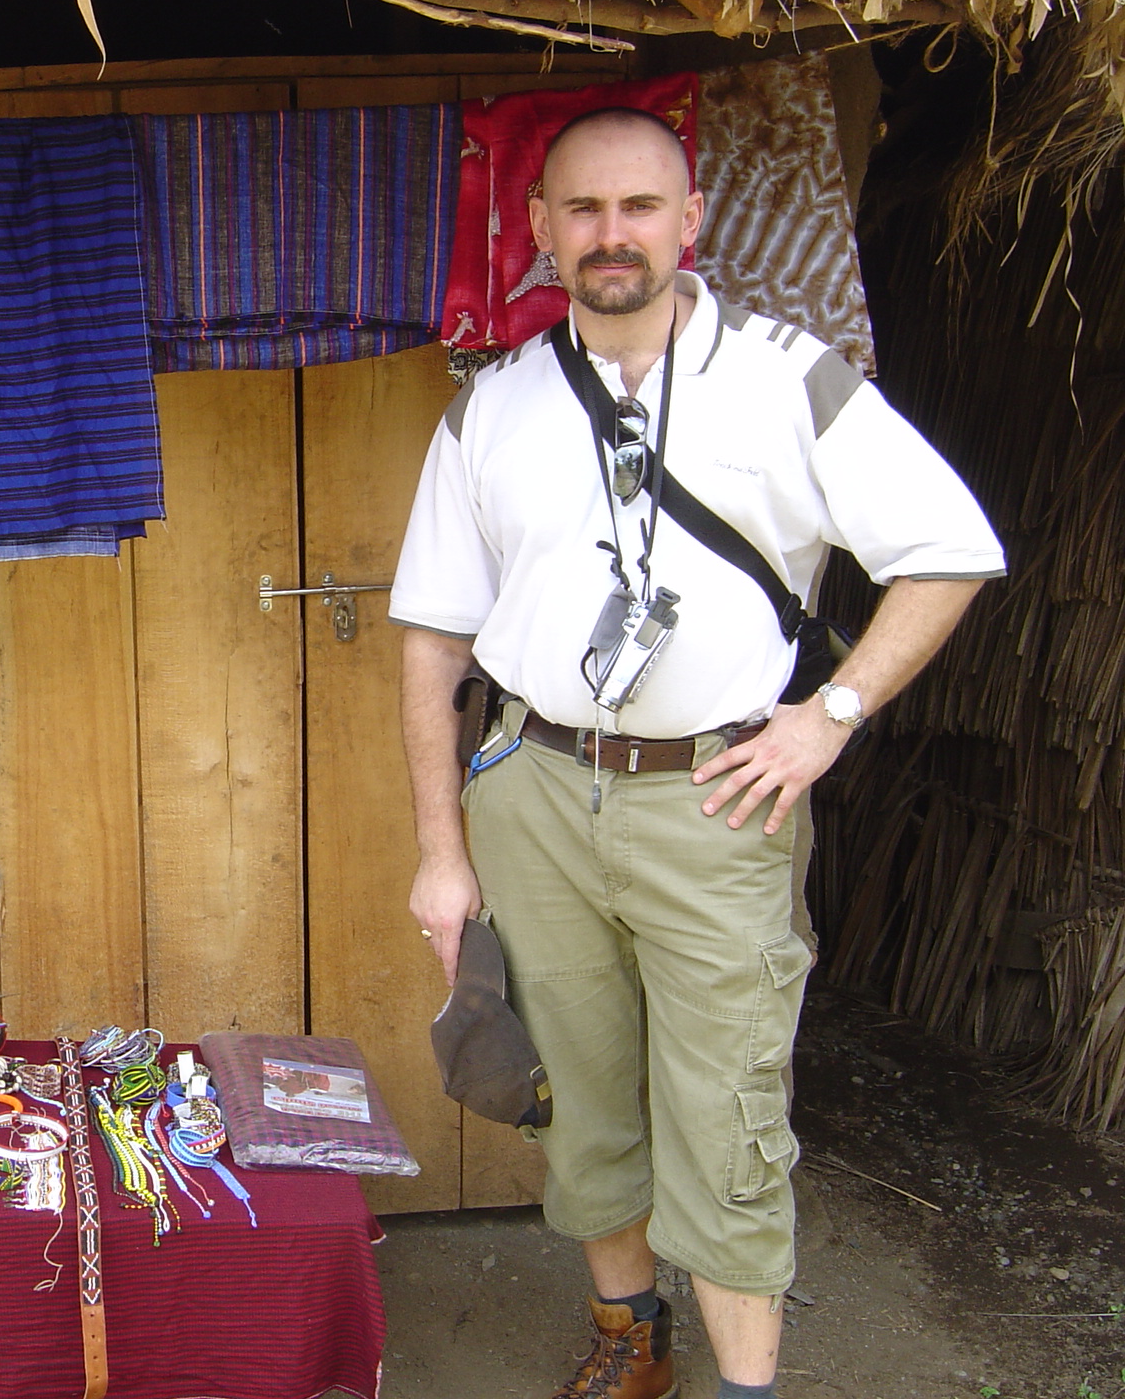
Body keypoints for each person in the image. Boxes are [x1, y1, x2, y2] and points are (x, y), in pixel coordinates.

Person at [390, 106, 1004, 1399]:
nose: (612, 234)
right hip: (536, 793)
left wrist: (829, 716)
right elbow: (434, 639)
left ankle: (745, 1389)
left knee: (728, 1112)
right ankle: (631, 1344)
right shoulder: (493, 407)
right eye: (584, 209)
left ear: (692, 220)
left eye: (641, 207)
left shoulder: (791, 382)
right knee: (576, 1091)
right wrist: (443, 854)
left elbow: (950, 551)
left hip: (719, 796)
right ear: (543, 227)